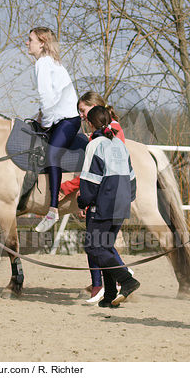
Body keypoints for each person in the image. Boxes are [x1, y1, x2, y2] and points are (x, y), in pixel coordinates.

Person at [60, 92, 130, 304]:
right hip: (108, 194)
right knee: (99, 243)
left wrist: (70, 188)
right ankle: (104, 287)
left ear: (94, 108)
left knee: (96, 243)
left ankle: (122, 278)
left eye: (83, 111)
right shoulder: (102, 133)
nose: (81, 116)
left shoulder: (108, 133)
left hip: (105, 195)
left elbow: (94, 170)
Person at [78, 106, 140, 308]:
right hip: (122, 202)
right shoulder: (120, 145)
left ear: (90, 123)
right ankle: (110, 295)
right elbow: (131, 177)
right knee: (104, 246)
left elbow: (90, 180)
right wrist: (128, 198)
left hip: (104, 203)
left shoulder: (95, 145)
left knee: (93, 247)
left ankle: (127, 280)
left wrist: (83, 201)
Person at [26, 27, 81, 233]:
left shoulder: (43, 63)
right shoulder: (50, 62)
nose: (27, 43)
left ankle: (52, 211)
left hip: (66, 120)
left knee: (52, 155)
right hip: (60, 118)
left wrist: (45, 124)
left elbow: (47, 99)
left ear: (41, 42)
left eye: (30, 39)